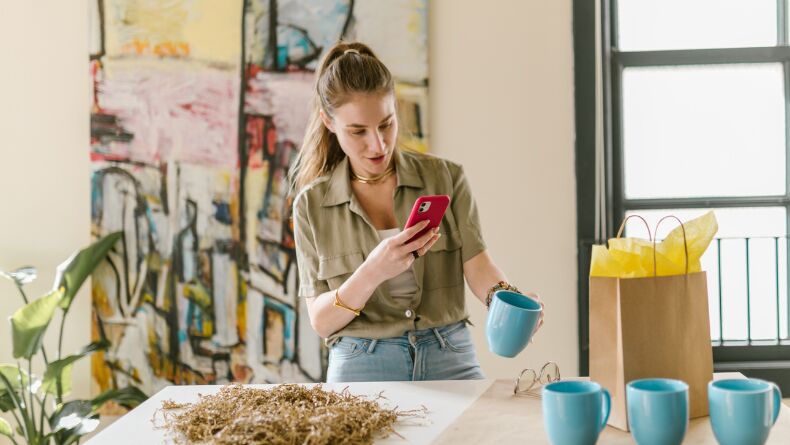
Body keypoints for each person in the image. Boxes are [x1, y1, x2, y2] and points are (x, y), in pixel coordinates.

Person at [289, 41, 543, 383]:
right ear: (329, 122)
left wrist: (507, 299)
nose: (378, 144)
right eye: (358, 131)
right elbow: (321, 321)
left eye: (386, 124)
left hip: (448, 352)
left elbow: (478, 264)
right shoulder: (310, 205)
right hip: (361, 360)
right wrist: (373, 270)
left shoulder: (445, 178)